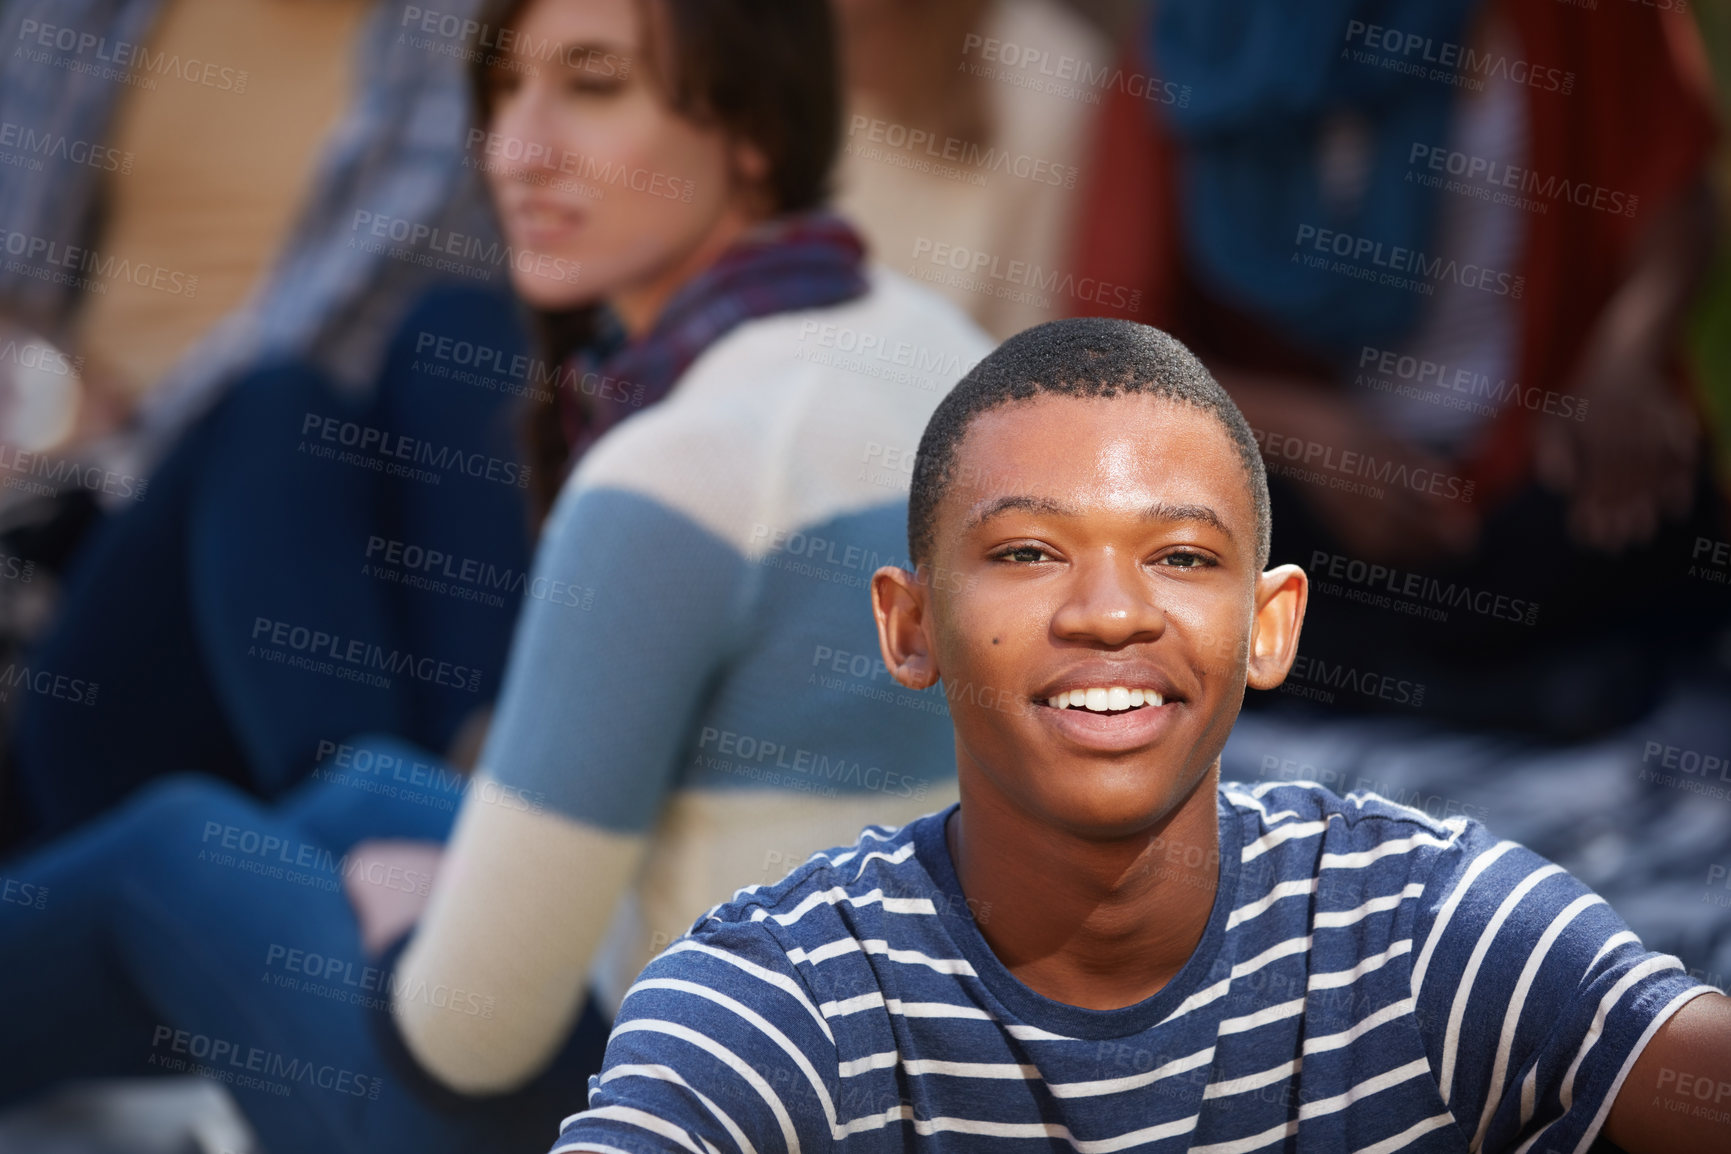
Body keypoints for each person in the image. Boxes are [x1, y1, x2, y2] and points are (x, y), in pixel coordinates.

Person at [0, 0, 991, 1149]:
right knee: (365, 789)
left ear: (752, 128)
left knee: (171, 851)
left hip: (671, 1095)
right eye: (506, 88)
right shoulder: (938, 354)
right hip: (862, 1043)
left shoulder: (680, 471)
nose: (520, 147)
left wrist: (416, 923)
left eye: (594, 84)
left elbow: (470, 1040)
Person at [552, 317, 1731, 1154]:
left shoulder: (1420, 934)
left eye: (1181, 557)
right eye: (1025, 552)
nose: (1111, 613)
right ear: (911, 624)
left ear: (1270, 627)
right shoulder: (788, 1003)